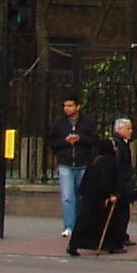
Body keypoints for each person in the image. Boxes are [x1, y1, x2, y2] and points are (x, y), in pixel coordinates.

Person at [66, 135, 128, 255]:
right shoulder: (109, 161)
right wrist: (111, 194)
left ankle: (75, 244)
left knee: (85, 221)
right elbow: (107, 180)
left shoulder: (95, 160)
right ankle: (111, 245)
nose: (115, 149)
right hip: (100, 197)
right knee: (109, 222)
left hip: (89, 196)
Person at [46, 97, 94, 239]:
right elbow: (52, 141)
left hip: (83, 163)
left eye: (70, 106)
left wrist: (80, 139)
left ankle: (80, 225)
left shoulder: (87, 123)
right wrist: (64, 141)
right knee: (67, 197)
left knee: (80, 197)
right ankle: (69, 226)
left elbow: (94, 140)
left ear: (77, 107)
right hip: (65, 164)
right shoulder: (59, 124)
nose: (67, 108)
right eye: (65, 106)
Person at [110, 118, 137, 249]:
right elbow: (118, 166)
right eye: (128, 128)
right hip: (121, 184)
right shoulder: (118, 145)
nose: (131, 131)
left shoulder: (123, 143)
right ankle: (118, 237)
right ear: (119, 129)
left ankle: (122, 235)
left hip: (124, 183)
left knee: (124, 213)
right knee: (121, 213)